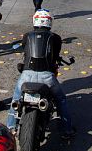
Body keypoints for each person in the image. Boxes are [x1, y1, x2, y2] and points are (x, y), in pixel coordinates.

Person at [6, 9, 75, 138]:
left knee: (15, 99)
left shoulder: (27, 36)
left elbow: (24, 49)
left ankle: (11, 128)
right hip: (47, 77)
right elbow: (55, 55)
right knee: (61, 100)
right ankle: (67, 130)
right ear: (49, 22)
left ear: (35, 20)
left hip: (27, 75)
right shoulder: (55, 38)